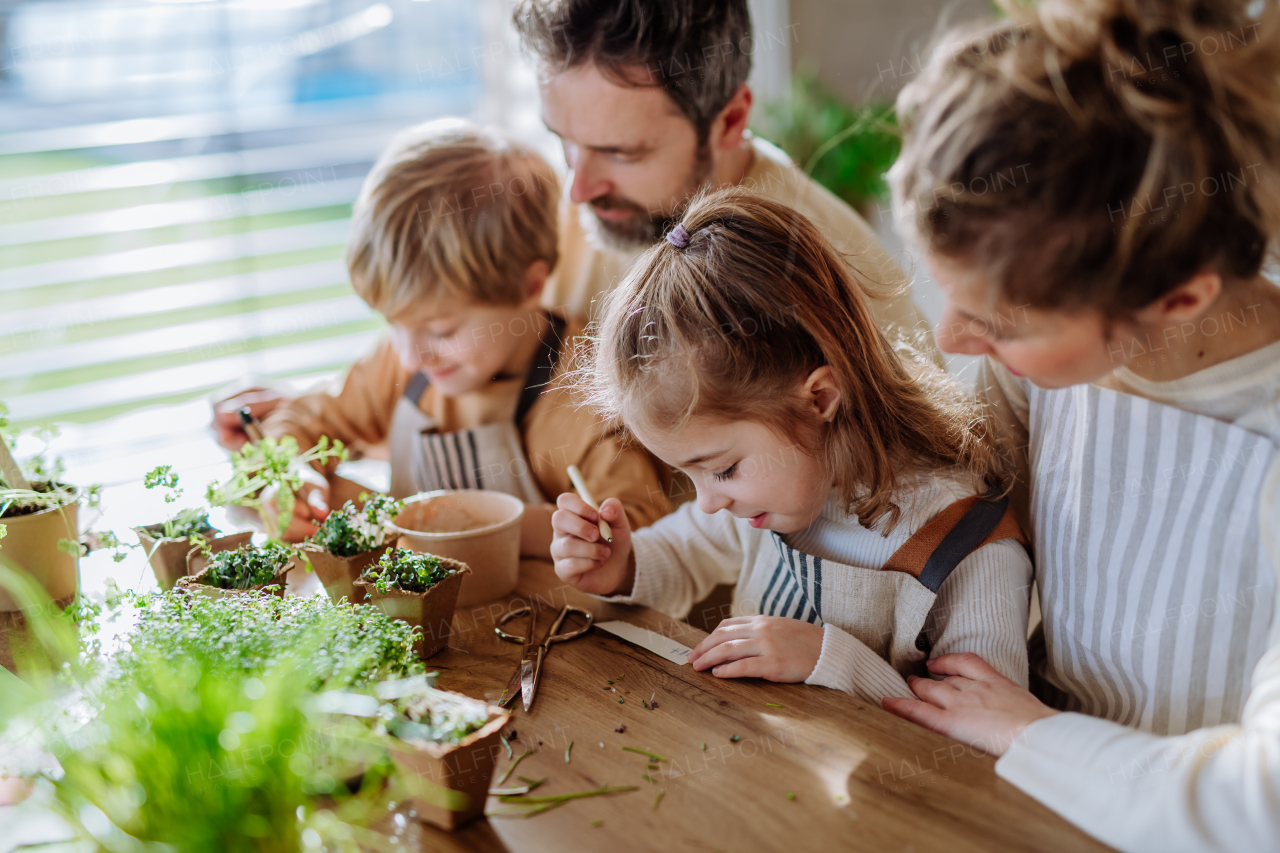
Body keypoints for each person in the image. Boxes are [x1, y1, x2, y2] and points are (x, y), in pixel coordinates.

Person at [880, 1, 1280, 849]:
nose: (952, 337)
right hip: (1035, 794)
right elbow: (941, 498)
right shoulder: (1043, 346)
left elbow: (1261, 803)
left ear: (1178, 300)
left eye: (1002, 321)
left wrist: (1029, 733)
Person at [550, 187, 1032, 703]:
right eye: (689, 475)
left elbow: (982, 736)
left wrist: (831, 658)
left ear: (820, 398)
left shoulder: (965, 543)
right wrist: (619, 565)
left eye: (722, 468)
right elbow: (683, 551)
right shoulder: (769, 489)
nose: (709, 501)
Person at [240, 119, 671, 553]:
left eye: (440, 330)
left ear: (530, 287)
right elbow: (299, 424)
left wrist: (482, 524)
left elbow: (641, 536)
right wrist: (291, 476)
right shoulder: (398, 362)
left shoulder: (593, 400)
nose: (411, 357)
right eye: (393, 323)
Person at [512, 0, 942, 364]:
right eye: (562, 140)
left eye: (621, 153)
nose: (577, 190)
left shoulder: (837, 282)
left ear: (731, 120)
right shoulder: (551, 218)